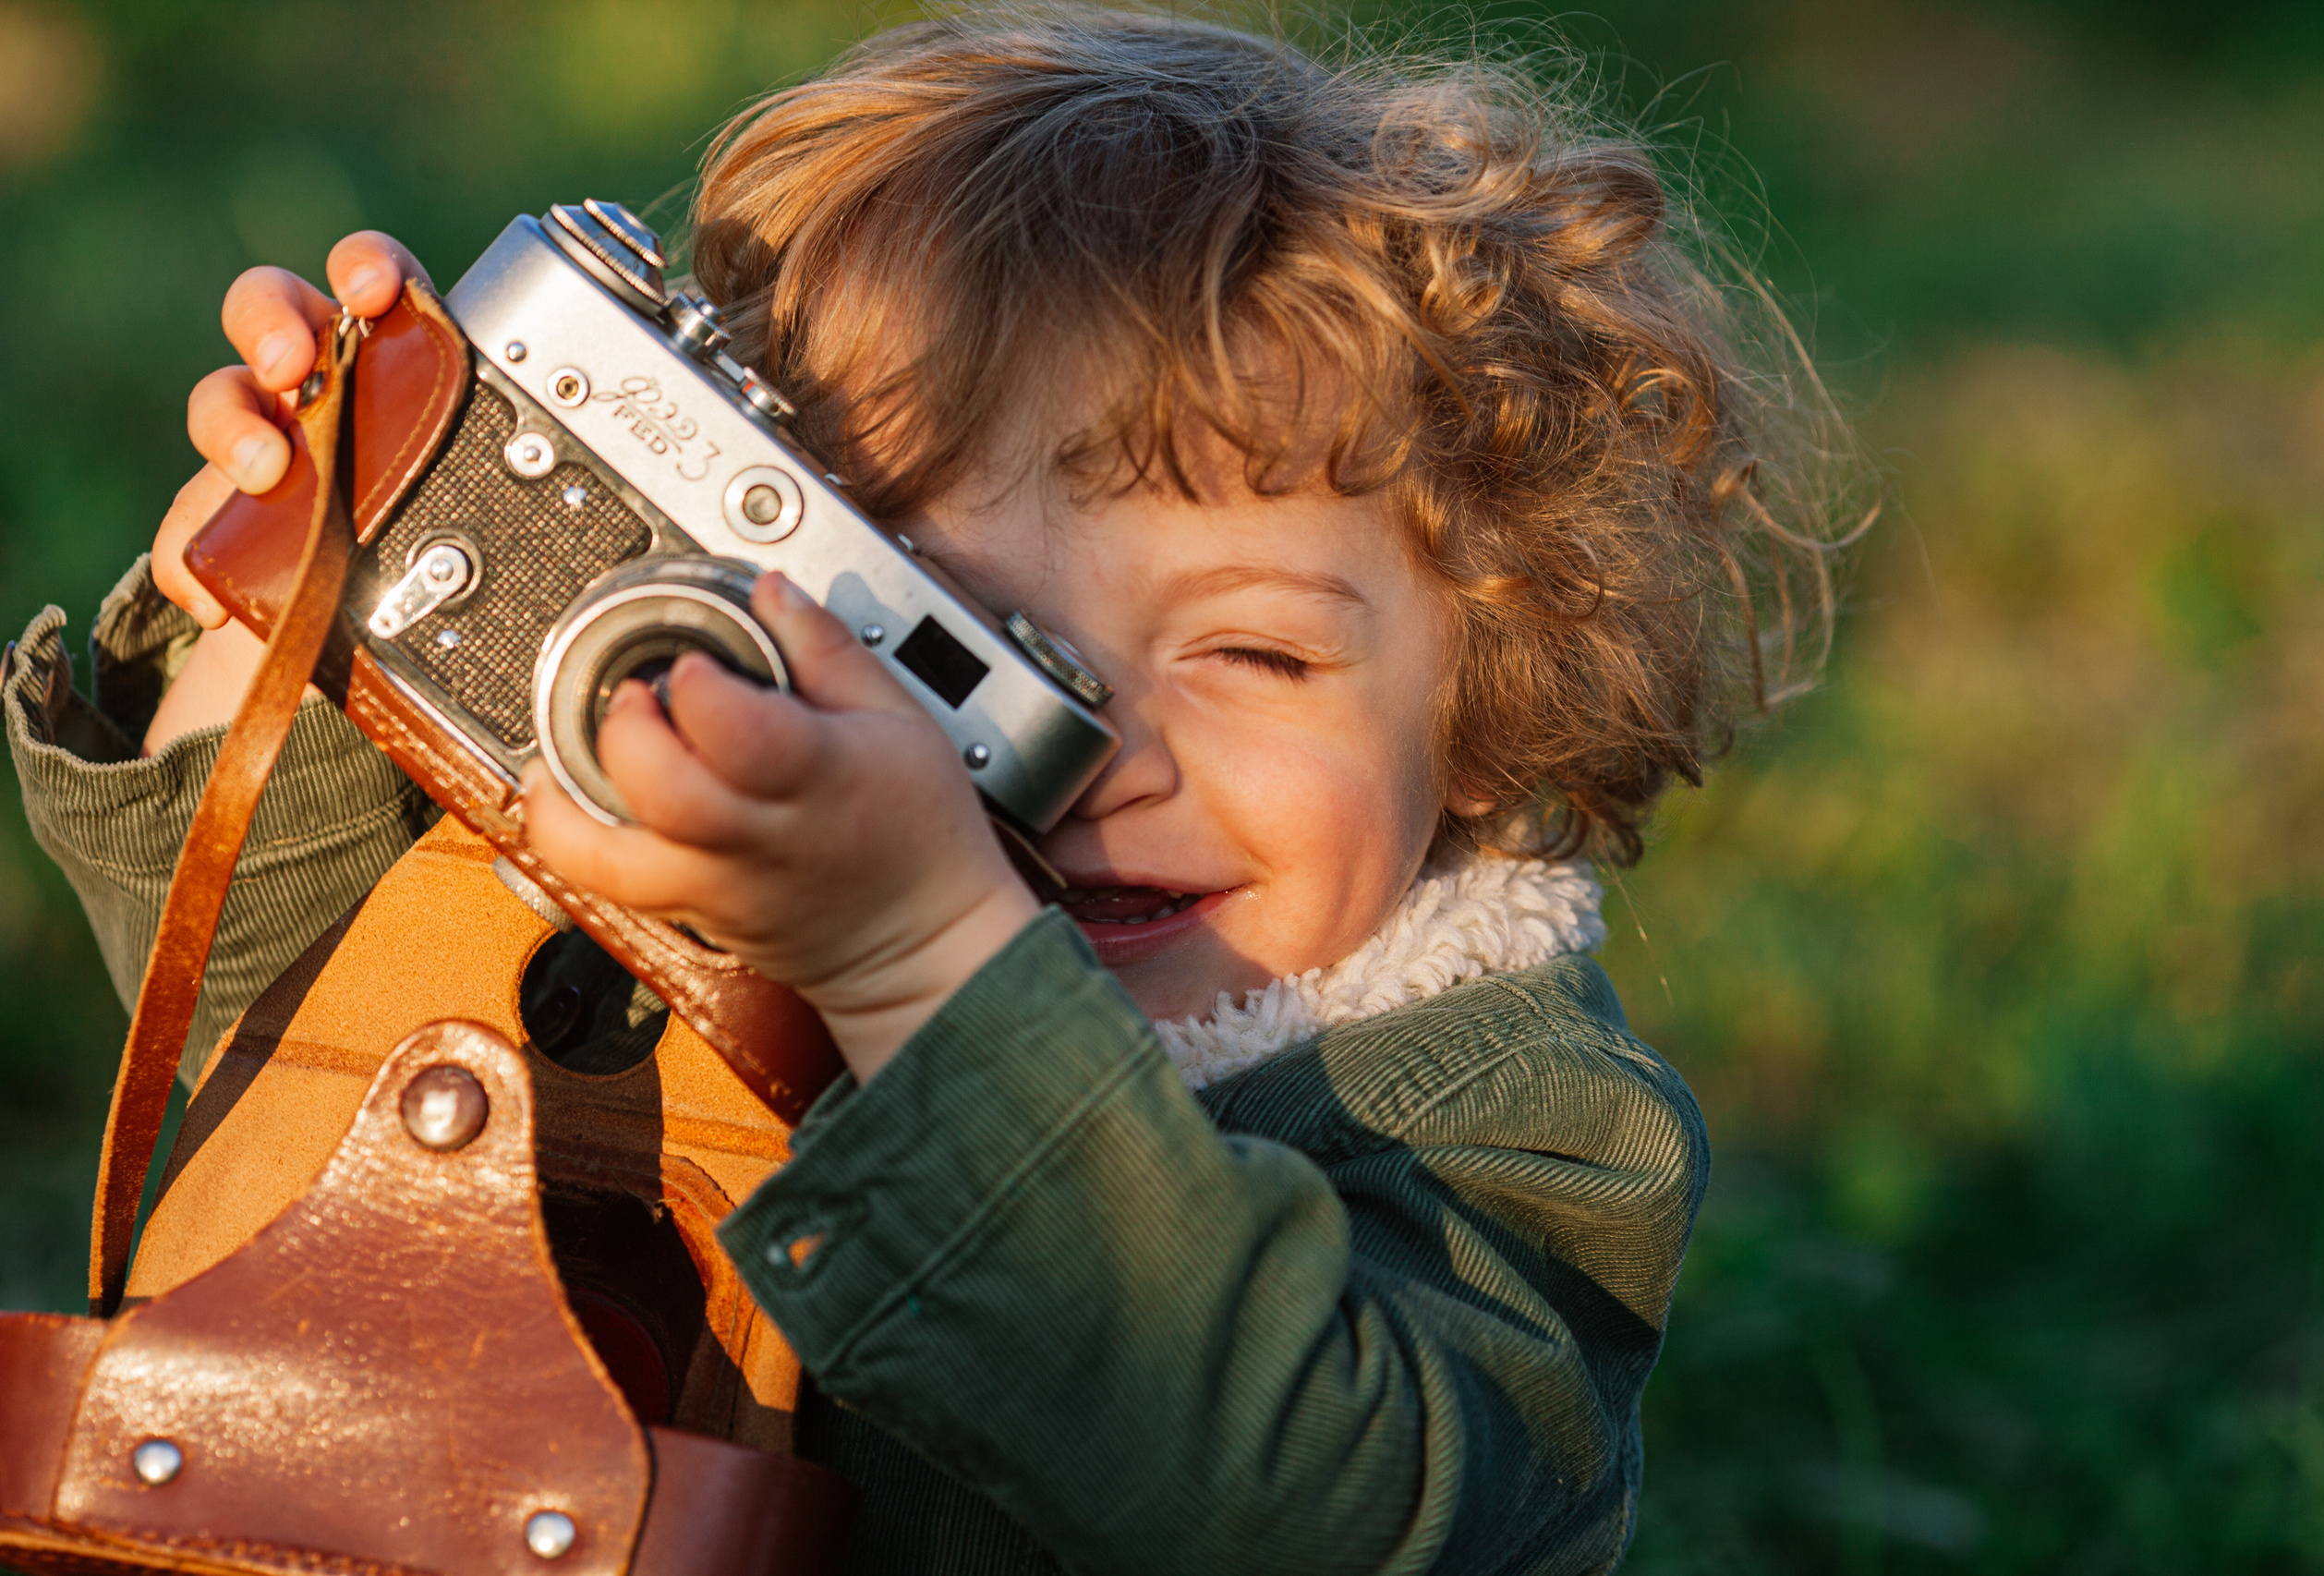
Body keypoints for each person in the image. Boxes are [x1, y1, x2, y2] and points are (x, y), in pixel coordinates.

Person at [6, 8, 1857, 1571]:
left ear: (1482, 684)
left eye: (1258, 655)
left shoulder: (1506, 1122)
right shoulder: (729, 870)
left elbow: (1318, 1503)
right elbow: (289, 1047)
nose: (1101, 758)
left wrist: (917, 960)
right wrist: (295, 614)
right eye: (951, 648)